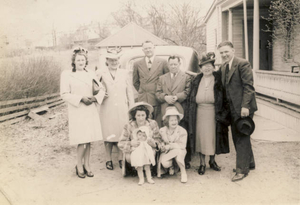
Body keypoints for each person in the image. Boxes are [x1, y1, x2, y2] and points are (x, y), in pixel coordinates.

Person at [60, 47, 106, 178]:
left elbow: (101, 88)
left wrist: (95, 98)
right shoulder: (67, 74)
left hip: (90, 108)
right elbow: (64, 94)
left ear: (86, 61)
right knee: (82, 140)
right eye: (78, 60)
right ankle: (79, 165)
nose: (81, 62)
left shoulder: (91, 73)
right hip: (77, 109)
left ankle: (87, 165)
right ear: (73, 61)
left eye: (83, 60)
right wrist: (80, 98)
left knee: (89, 139)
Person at [217, 41, 257, 182]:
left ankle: (242, 170)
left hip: (243, 108)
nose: (224, 54)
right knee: (240, 136)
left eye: (226, 51)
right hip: (232, 109)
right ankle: (249, 163)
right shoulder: (223, 67)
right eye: (221, 52)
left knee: (241, 136)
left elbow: (248, 87)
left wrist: (245, 106)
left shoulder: (242, 63)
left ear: (233, 50)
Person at [187, 52, 230, 176]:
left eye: (209, 65)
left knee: (212, 137)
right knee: (200, 138)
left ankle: (212, 161)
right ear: (200, 68)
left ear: (213, 66)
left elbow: (224, 97)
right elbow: (191, 96)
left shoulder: (218, 79)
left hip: (213, 112)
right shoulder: (196, 80)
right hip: (199, 112)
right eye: (204, 66)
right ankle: (202, 163)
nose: (207, 68)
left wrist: (222, 114)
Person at [96, 48, 134, 171]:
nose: (114, 62)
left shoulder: (125, 73)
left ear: (119, 60)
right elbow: (95, 90)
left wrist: (131, 109)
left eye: (116, 60)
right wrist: (100, 95)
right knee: (108, 136)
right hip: (107, 108)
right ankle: (108, 159)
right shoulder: (100, 73)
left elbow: (130, 93)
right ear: (107, 60)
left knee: (121, 134)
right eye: (111, 60)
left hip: (122, 109)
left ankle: (120, 159)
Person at [155, 55, 192, 169]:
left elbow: (188, 91)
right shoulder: (162, 78)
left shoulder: (186, 77)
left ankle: (183, 160)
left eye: (175, 64)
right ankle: (167, 161)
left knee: (180, 133)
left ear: (179, 64)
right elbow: (157, 92)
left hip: (179, 107)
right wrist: (165, 97)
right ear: (168, 65)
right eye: (171, 64)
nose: (173, 66)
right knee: (166, 133)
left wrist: (177, 97)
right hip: (166, 108)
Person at [118, 102, 161, 184]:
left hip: (147, 149)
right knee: (130, 157)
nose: (141, 118)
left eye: (143, 115)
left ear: (146, 115)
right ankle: (139, 174)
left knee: (149, 155)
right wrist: (131, 143)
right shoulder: (129, 126)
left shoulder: (152, 124)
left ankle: (149, 175)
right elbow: (121, 143)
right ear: (134, 115)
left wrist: (153, 143)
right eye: (138, 115)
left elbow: (158, 139)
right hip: (135, 150)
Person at [133, 40, 169, 127]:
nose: (148, 50)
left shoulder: (162, 62)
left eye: (150, 48)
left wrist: (159, 93)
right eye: (146, 48)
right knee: (145, 123)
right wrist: (144, 90)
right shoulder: (137, 64)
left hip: (157, 98)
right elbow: (135, 82)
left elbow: (166, 81)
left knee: (157, 123)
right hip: (144, 98)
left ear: (154, 48)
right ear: (143, 50)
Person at [157, 106, 188, 183]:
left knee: (178, 152)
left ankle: (183, 172)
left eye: (175, 120)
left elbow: (182, 145)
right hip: (168, 152)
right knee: (165, 163)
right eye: (171, 120)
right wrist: (162, 146)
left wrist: (170, 146)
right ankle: (171, 166)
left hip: (179, 151)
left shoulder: (182, 131)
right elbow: (159, 141)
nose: (174, 122)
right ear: (167, 121)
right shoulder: (162, 130)